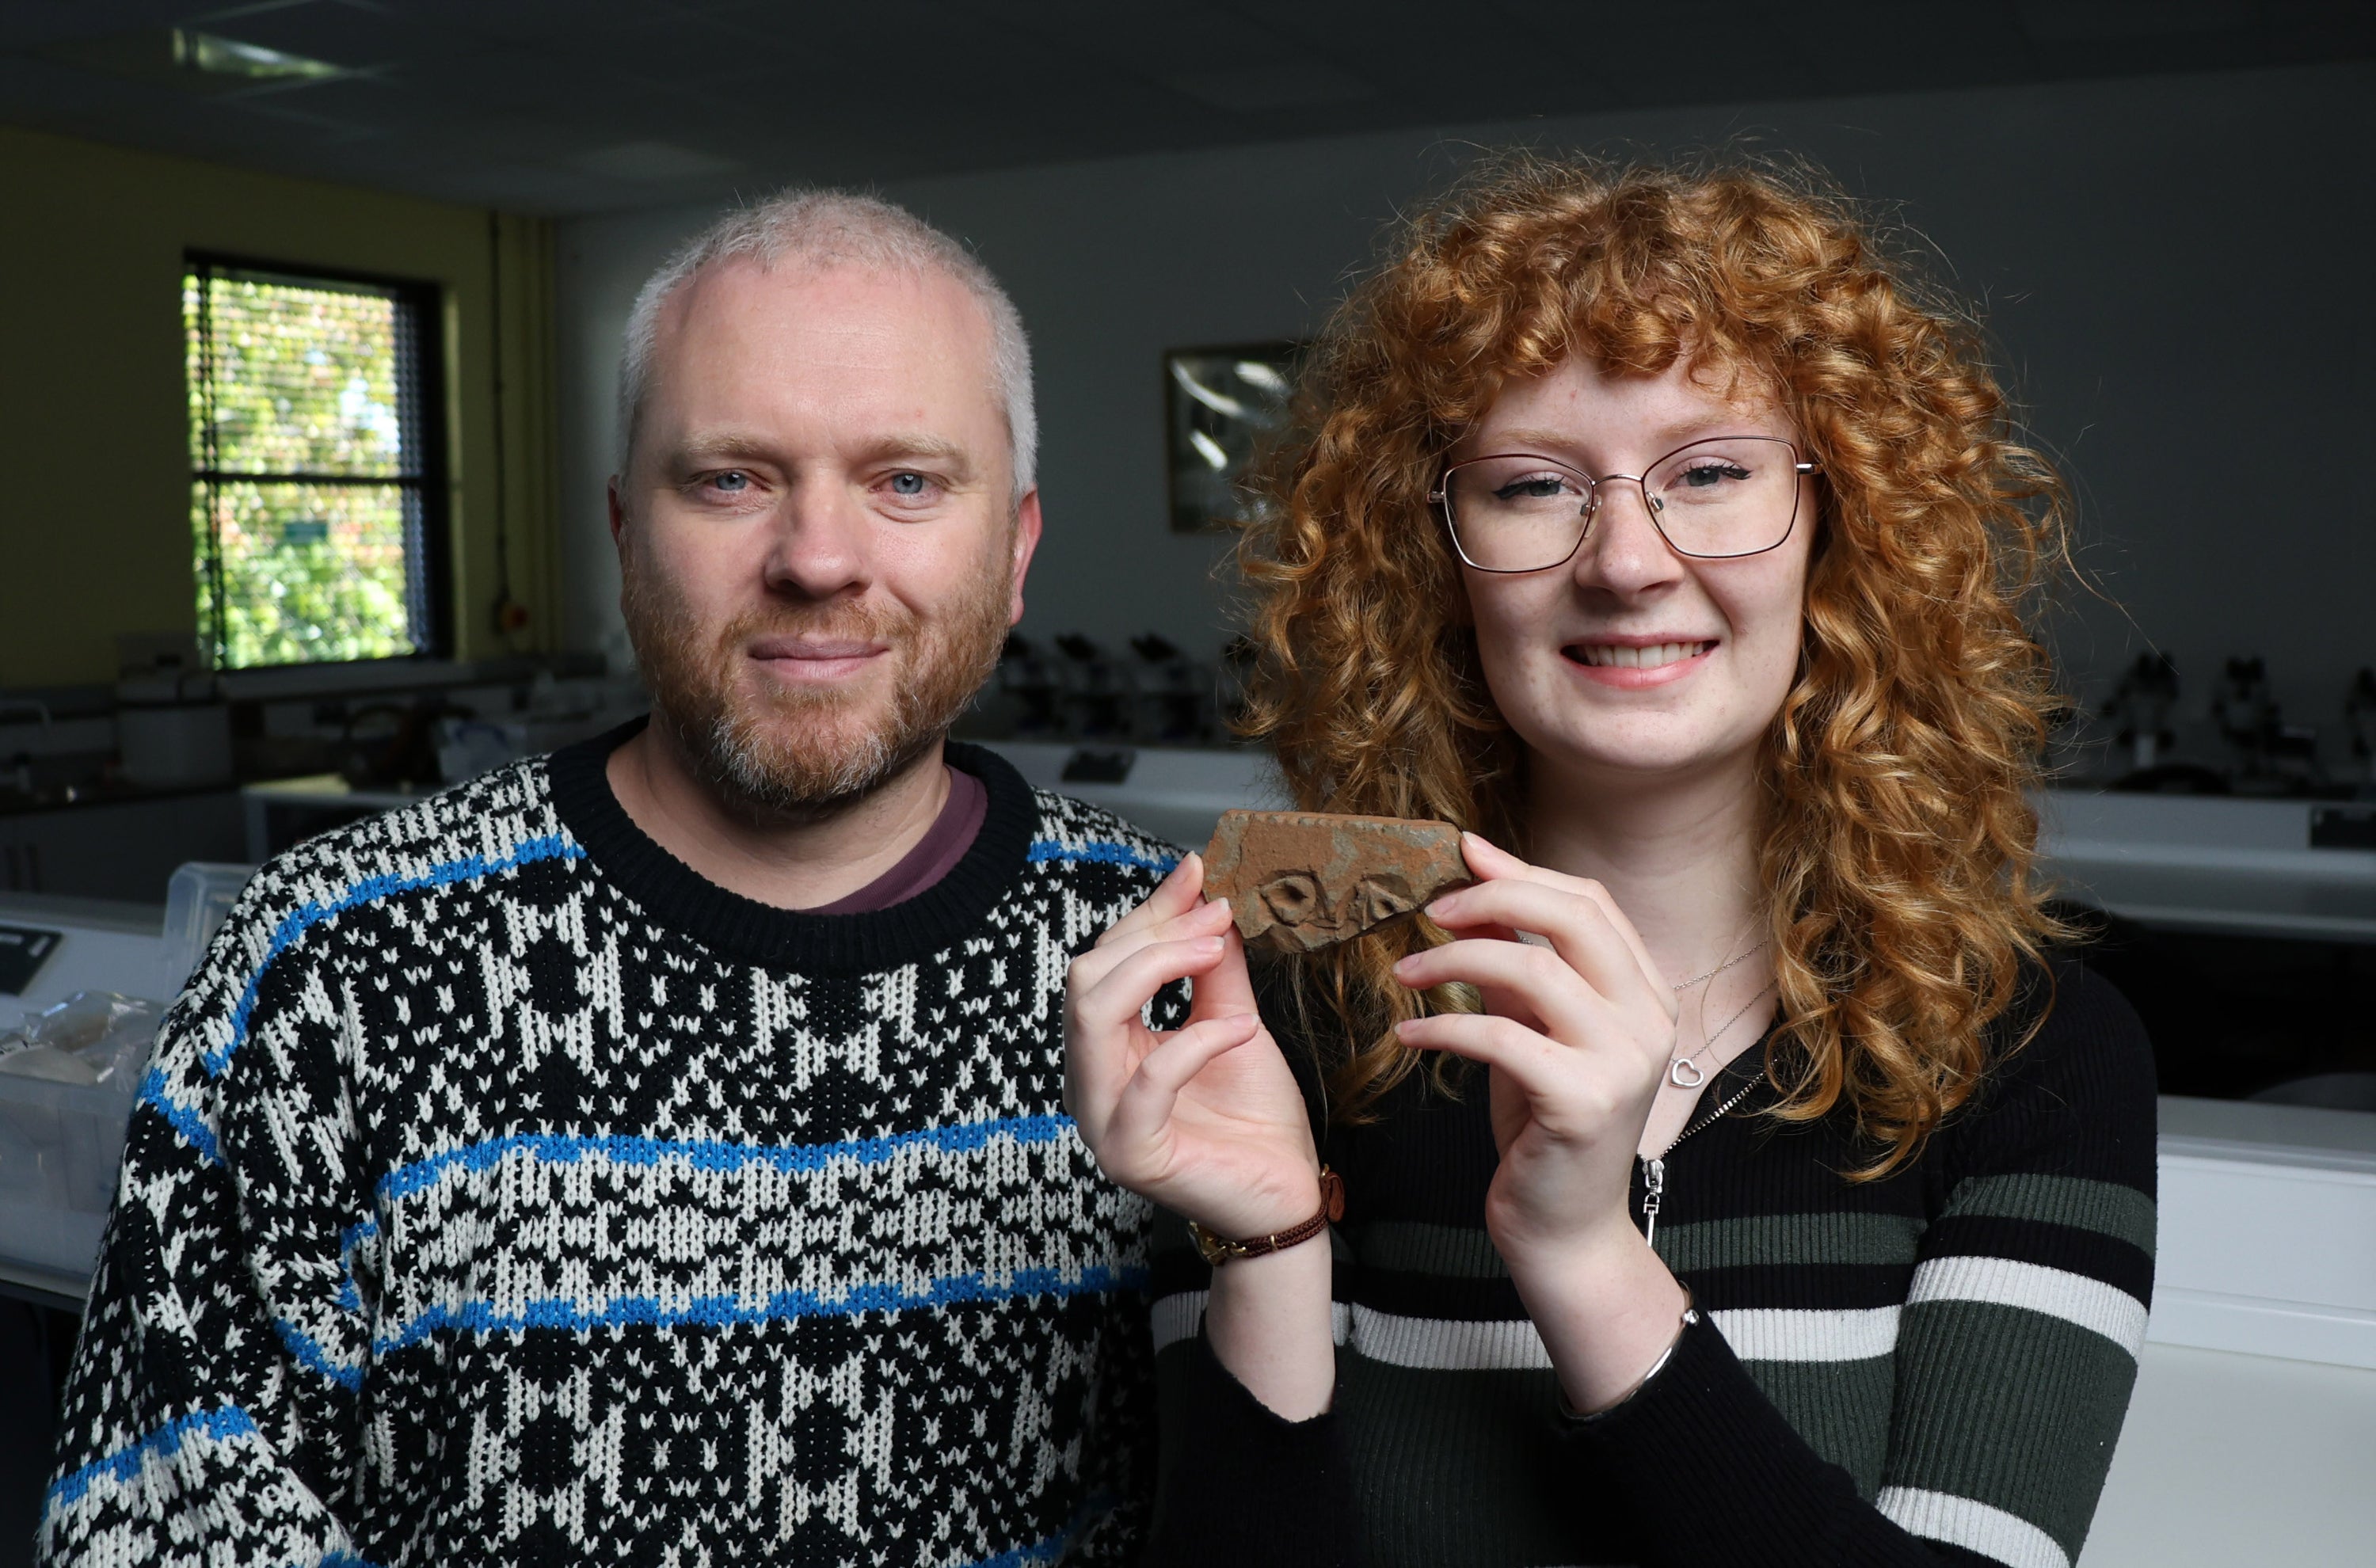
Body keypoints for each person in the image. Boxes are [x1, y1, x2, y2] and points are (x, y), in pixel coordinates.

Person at [43, 191, 1180, 1566]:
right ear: (624, 534)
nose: (818, 560)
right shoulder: (333, 969)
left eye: (908, 482)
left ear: (1015, 551)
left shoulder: (1166, 956)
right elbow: (157, 1530)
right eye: (728, 479)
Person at [1065, 155, 2156, 1568]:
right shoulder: (1282, 1032)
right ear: (1433, 560)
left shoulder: (2039, 1052)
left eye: (1710, 474)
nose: (1629, 562)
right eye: (1532, 489)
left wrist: (1584, 1259)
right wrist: (1269, 1248)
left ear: (1843, 527)